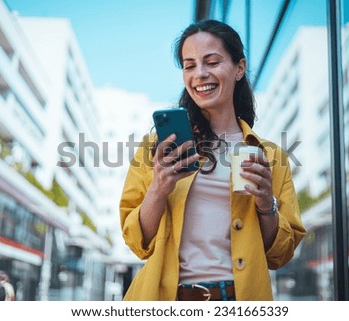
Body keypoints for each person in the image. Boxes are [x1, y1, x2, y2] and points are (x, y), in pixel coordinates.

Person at [120, 19, 306, 301]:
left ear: (239, 68)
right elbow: (137, 243)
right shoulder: (157, 148)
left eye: (212, 62)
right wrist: (158, 189)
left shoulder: (271, 156)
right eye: (190, 65)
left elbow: (280, 255)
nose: (200, 74)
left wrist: (267, 203)